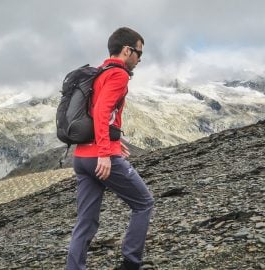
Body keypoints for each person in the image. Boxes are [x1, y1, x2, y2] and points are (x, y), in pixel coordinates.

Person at [66, 27, 155, 270]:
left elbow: (100, 114)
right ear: (127, 50)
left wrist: (115, 142)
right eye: (138, 53)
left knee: (86, 221)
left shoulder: (99, 72)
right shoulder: (118, 75)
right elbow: (101, 111)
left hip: (82, 157)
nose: (139, 59)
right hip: (100, 157)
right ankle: (131, 263)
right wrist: (105, 153)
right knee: (144, 203)